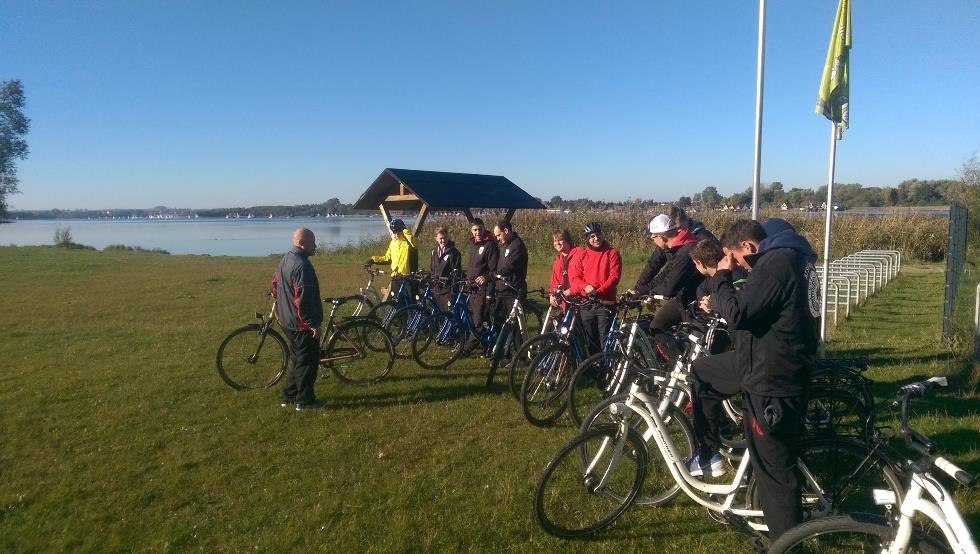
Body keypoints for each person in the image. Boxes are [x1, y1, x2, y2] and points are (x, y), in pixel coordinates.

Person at [687, 218, 820, 541]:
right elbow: (754, 310)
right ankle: (711, 449)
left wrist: (721, 276)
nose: (740, 266)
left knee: (776, 475)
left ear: (747, 246)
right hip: (768, 366)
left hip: (773, 378)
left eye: (736, 257)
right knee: (771, 466)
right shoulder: (791, 258)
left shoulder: (776, 263)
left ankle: (786, 545)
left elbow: (740, 314)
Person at [271, 228, 326, 410]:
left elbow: (275, 283)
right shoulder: (302, 266)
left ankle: (288, 396)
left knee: (298, 359)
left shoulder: (286, 258)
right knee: (308, 363)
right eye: (312, 242)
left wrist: (274, 295)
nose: (315, 246)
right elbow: (304, 297)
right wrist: (312, 324)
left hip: (287, 320)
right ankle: (305, 401)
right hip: (301, 323)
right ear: (302, 243)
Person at [630, 206, 714, 297]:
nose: (677, 232)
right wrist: (638, 289)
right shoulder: (669, 243)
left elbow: (715, 267)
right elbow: (655, 265)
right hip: (680, 284)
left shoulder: (700, 240)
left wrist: (649, 294)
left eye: (677, 228)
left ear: (686, 221)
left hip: (703, 289)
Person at [568, 221, 622, 354]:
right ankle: (595, 369)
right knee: (590, 339)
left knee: (605, 338)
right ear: (587, 239)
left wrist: (598, 292)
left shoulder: (612, 253)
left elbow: (614, 277)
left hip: (604, 302)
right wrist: (585, 286)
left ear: (602, 235)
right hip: (586, 303)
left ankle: (608, 368)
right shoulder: (582, 254)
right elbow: (575, 277)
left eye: (598, 235)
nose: (596, 238)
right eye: (592, 236)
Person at [367, 218, 417, 299]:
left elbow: (415, 243)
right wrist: (372, 260)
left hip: (408, 278)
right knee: (397, 304)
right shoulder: (393, 243)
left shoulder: (409, 243)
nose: (396, 235)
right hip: (396, 278)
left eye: (398, 232)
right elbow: (387, 258)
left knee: (409, 306)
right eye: (394, 232)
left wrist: (405, 231)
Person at [491, 219, 528, 324]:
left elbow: (508, 268)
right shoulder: (507, 244)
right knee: (498, 322)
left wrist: (492, 275)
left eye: (498, 235)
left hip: (513, 291)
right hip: (503, 290)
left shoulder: (517, 246)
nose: (497, 239)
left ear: (506, 231)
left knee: (515, 327)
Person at [465, 218, 499, 329]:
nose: (477, 232)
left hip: (483, 288)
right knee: (472, 316)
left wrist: (489, 291)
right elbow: (472, 266)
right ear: (471, 231)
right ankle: (486, 342)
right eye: (475, 230)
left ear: (484, 228)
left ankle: (470, 345)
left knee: (478, 320)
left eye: (480, 229)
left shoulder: (490, 245)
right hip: (472, 287)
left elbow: (494, 269)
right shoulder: (472, 244)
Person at [429, 226, 461, 311]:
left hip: (447, 290)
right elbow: (432, 269)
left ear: (448, 237)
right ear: (436, 238)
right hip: (436, 289)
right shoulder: (434, 252)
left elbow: (456, 273)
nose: (443, 240)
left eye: (445, 238)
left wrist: (453, 291)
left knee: (447, 316)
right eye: (440, 238)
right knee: (436, 316)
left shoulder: (454, 253)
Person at [548, 229, 582, 308]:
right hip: (565, 301)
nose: (557, 243)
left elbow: (584, 278)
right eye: (555, 241)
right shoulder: (558, 260)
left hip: (580, 300)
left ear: (567, 240)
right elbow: (555, 281)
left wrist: (570, 291)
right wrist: (552, 294)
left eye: (560, 240)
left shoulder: (579, 254)